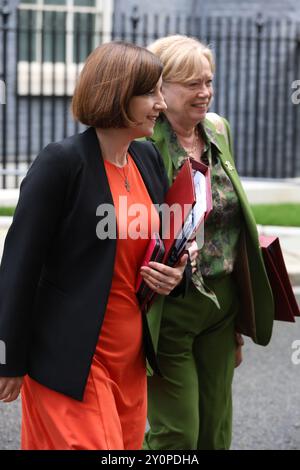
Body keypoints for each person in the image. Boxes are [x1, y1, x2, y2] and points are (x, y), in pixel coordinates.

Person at [0, 41, 192, 450]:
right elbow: (19, 265)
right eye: (151, 93)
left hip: (131, 360)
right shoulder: (61, 163)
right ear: (117, 94)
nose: (161, 103)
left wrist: (177, 274)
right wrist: (8, 358)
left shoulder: (147, 160)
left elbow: (168, 245)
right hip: (70, 357)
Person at [143, 35, 275, 450]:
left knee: (215, 430)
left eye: (208, 81)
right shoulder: (145, 143)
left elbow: (232, 218)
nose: (204, 93)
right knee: (177, 434)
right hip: (171, 308)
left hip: (221, 303)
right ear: (160, 89)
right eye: (191, 84)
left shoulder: (218, 129)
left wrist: (238, 325)